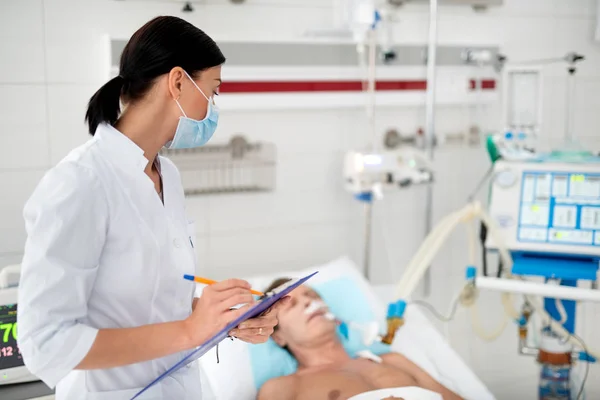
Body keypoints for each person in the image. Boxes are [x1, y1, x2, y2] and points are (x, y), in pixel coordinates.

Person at [17, 16, 284, 400]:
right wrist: (191, 330)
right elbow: (45, 342)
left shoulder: (166, 175)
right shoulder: (80, 183)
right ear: (178, 82)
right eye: (213, 91)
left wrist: (223, 318)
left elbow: (148, 303)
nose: (213, 106)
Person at [257, 279, 463, 400]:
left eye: (312, 296)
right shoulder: (283, 387)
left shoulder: (393, 361)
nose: (308, 303)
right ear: (278, 336)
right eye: (291, 305)